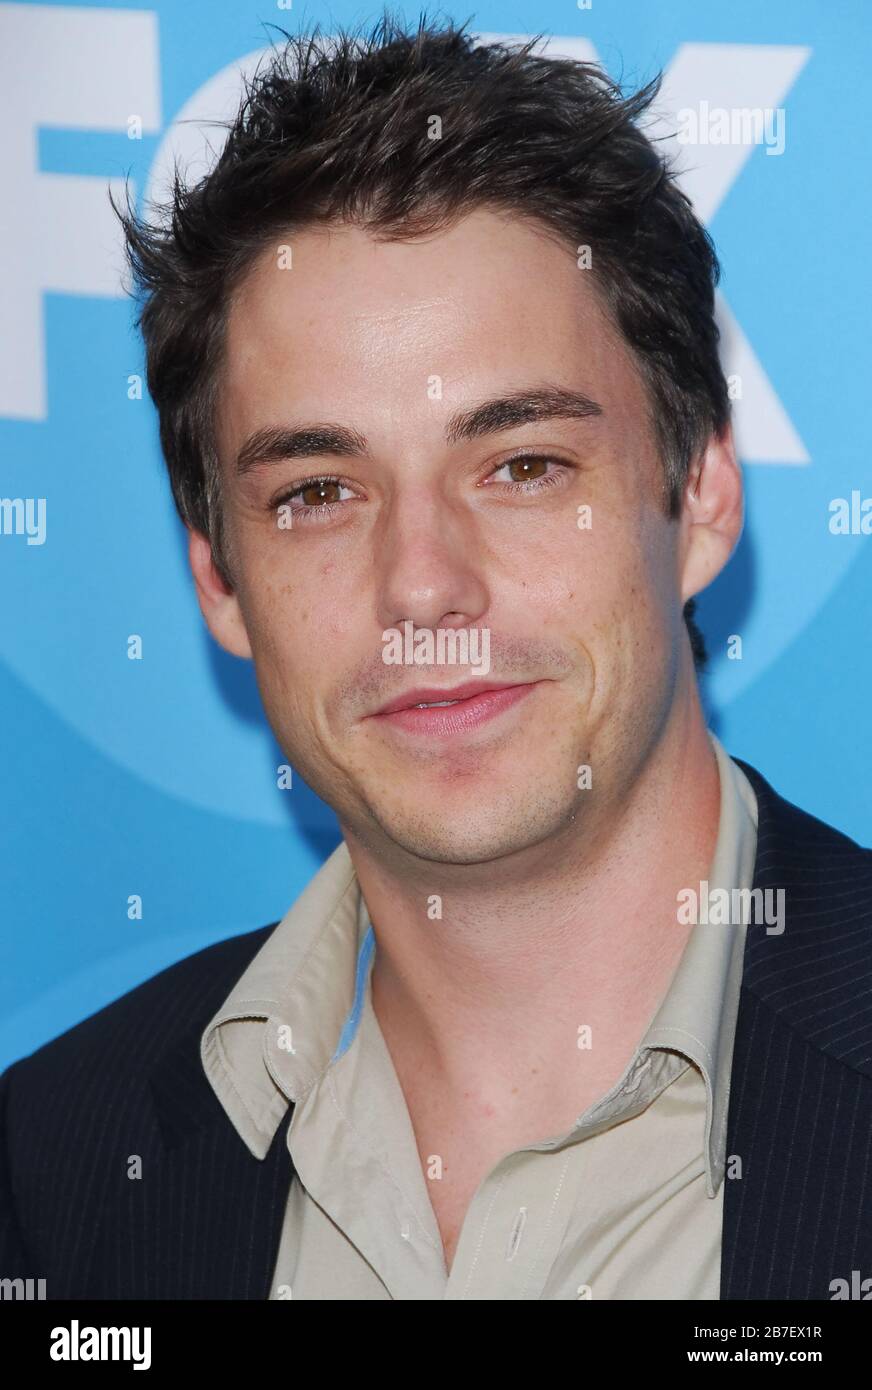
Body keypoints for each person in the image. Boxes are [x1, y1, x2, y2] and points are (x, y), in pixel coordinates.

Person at [2, 14, 870, 1302]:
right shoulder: (49, 1178)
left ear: (699, 497)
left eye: (521, 466)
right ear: (217, 581)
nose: (421, 586)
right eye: (316, 490)